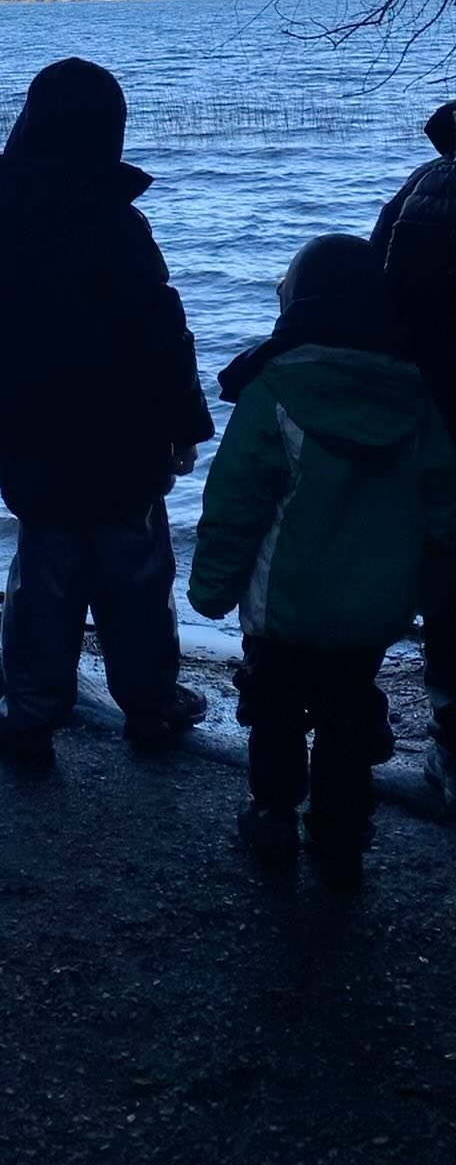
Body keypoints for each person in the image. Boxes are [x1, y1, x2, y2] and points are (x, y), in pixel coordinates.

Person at [0, 57, 213, 765]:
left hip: (26, 431)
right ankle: (151, 706)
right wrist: (185, 426)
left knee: (44, 572)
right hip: (126, 443)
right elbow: (163, 334)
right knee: (139, 577)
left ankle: (29, 711)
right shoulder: (116, 223)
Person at [189, 234, 456, 891]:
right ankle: (340, 833)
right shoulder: (416, 397)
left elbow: (235, 503)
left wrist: (211, 588)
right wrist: (437, 591)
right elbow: (443, 509)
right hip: (372, 614)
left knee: (275, 714)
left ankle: (274, 814)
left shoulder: (273, 389)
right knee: (348, 717)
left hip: (285, 609)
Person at [371, 107, 456, 815]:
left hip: (432, 425)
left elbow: (376, 306)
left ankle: (452, 751)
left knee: (448, 588)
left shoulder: (420, 191)